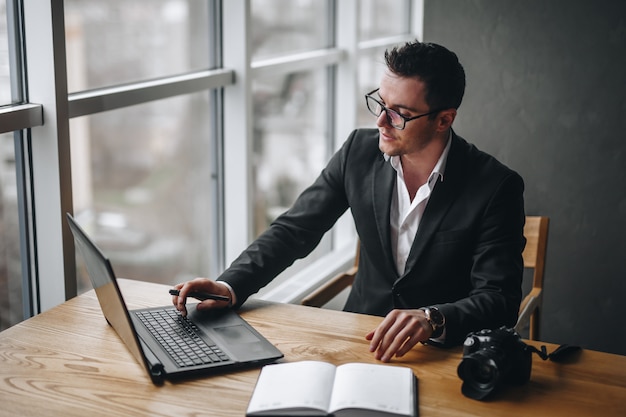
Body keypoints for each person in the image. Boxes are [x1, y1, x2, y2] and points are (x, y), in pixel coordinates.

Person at [172, 40, 526, 363]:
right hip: (358, 339)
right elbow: (295, 229)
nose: (381, 121)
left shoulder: (496, 187)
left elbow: (500, 299)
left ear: (443, 120)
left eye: (400, 113)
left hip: (445, 355)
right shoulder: (359, 151)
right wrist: (230, 285)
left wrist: (433, 318)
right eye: (380, 103)